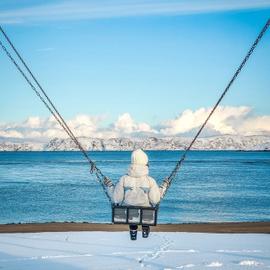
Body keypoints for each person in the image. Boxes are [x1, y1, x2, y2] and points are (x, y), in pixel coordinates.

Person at [104, 149, 169, 240]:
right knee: (147, 209)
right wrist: (164, 186)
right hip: (146, 214)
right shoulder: (150, 180)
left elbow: (116, 199)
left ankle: (133, 229)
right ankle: (145, 227)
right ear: (145, 163)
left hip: (128, 215)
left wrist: (109, 186)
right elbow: (155, 200)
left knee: (131, 211)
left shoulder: (123, 179)